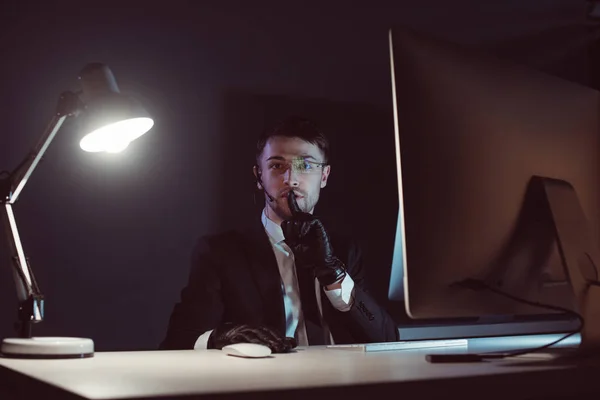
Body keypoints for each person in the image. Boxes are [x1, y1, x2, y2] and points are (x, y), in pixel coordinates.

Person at [160, 116, 399, 352]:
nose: (291, 179)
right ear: (258, 176)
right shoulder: (220, 253)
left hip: (340, 386)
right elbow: (177, 343)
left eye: (305, 165)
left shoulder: (345, 250)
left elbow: (387, 338)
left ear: (324, 176)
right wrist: (219, 337)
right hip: (266, 387)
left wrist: (333, 273)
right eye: (276, 166)